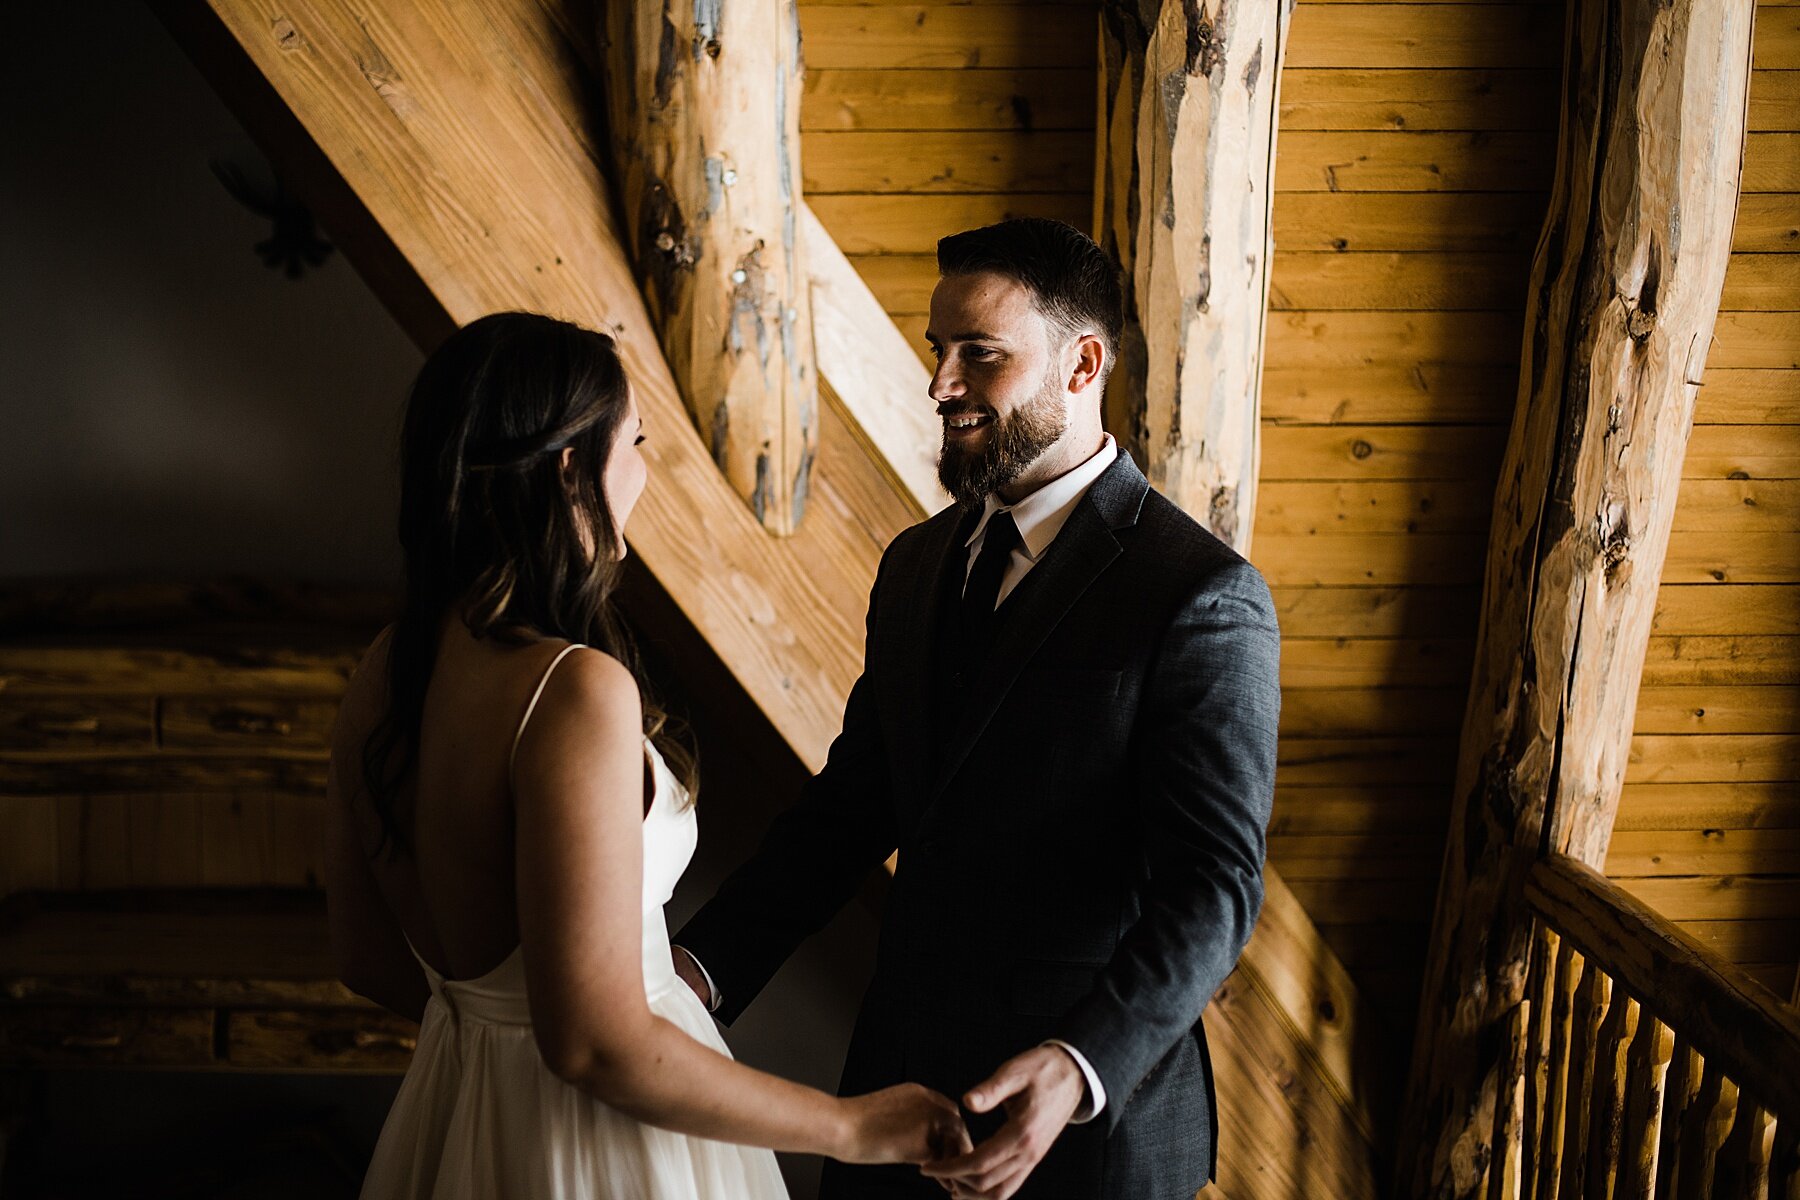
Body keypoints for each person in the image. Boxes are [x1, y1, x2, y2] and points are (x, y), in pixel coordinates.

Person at [673, 219, 1282, 1200]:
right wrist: (701, 968)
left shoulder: (1200, 597)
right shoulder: (917, 565)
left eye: (980, 356)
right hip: (896, 1100)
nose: (941, 384)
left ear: (1083, 364)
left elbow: (1213, 887)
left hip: (1093, 1136)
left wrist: (1078, 1065)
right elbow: (850, 810)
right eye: (937, 351)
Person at [322, 312, 967, 1200]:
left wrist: (497, 1040)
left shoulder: (386, 670)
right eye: (635, 440)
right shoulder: (572, 691)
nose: (645, 468)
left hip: (457, 1113)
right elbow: (594, 1043)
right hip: (601, 1147)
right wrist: (851, 1126)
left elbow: (363, 954)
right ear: (568, 468)